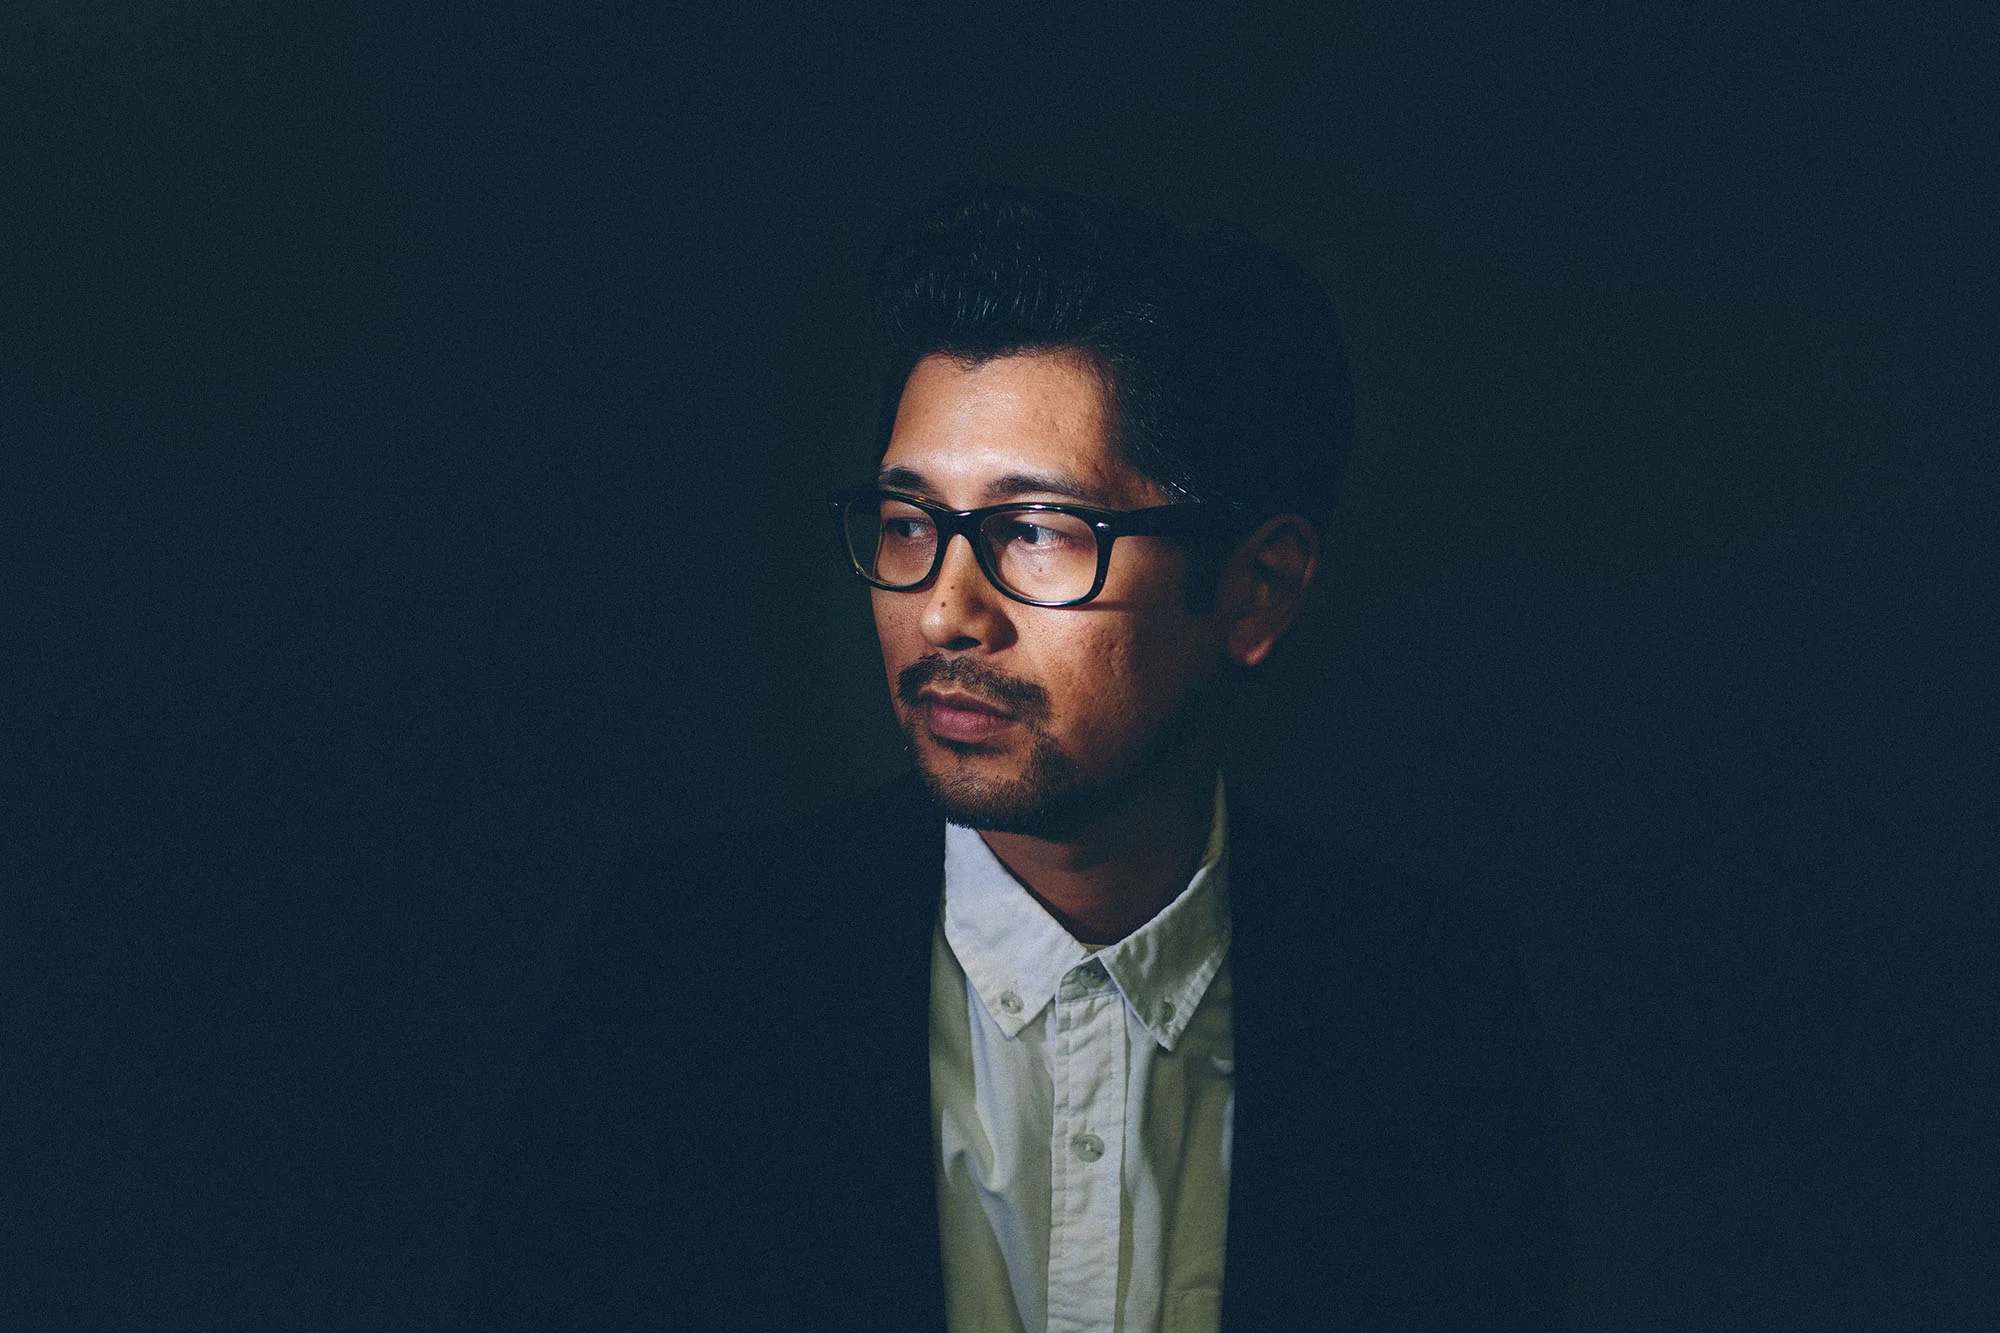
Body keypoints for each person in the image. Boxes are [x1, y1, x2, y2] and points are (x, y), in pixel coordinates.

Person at [473, 185, 1570, 1331]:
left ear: (1257, 590)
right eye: (908, 521)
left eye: (1036, 529)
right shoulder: (680, 979)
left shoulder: (1431, 1018)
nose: (943, 611)